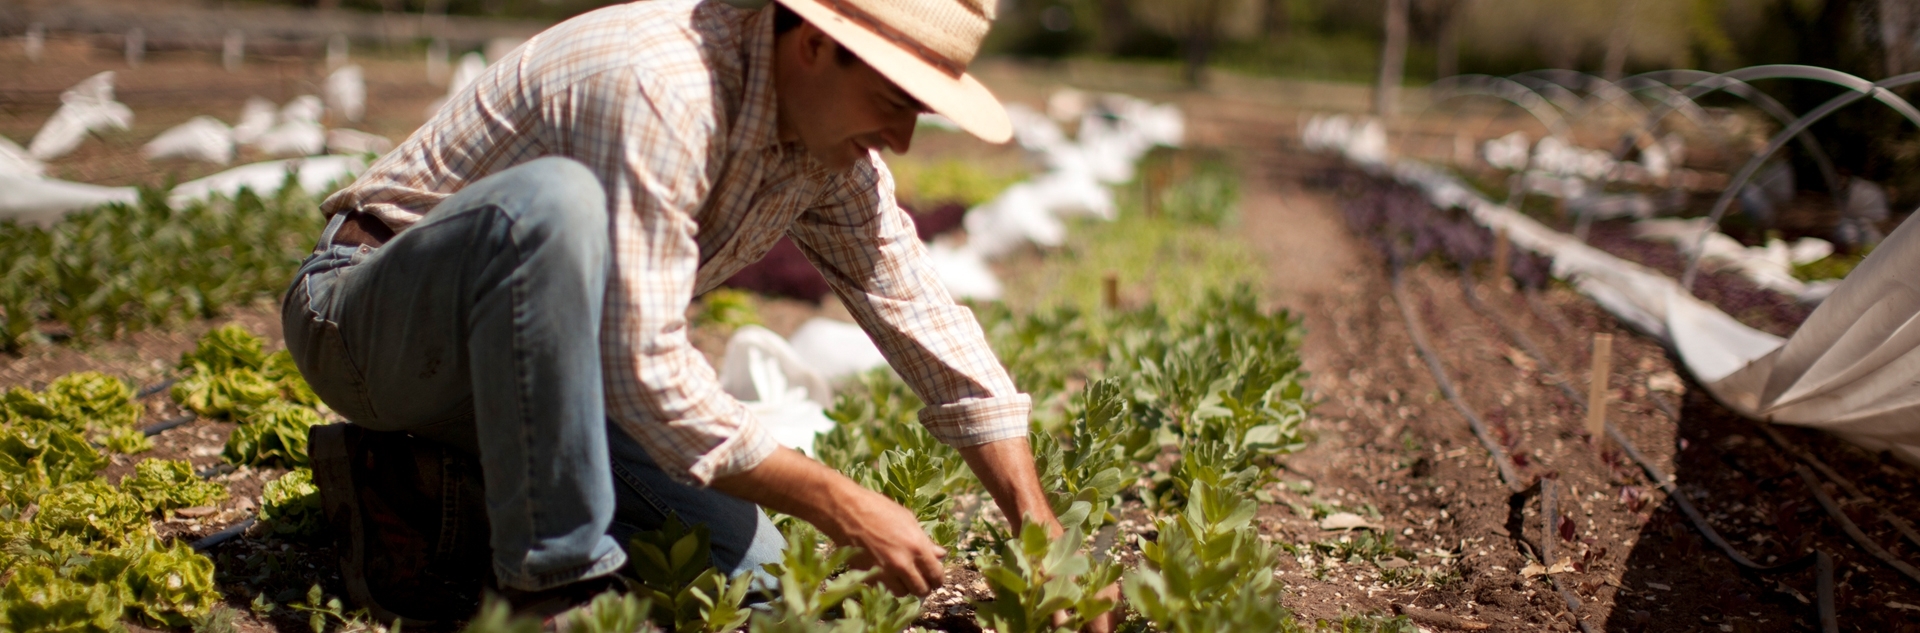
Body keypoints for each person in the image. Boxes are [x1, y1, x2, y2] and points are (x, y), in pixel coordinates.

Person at [283, 0, 1111, 628]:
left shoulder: (825, 151)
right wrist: (838, 497)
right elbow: (646, 372)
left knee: (748, 571)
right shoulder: (663, 83)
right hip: (367, 324)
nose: (900, 139)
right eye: (896, 100)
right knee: (554, 205)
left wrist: (1040, 532)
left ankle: (412, 485)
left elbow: (918, 308)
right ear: (817, 45)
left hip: (541, 372)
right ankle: (553, 586)